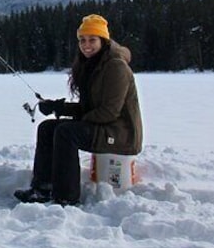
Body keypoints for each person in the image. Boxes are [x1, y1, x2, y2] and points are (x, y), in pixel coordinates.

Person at [14, 14, 143, 205]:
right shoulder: (92, 64)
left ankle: (66, 197)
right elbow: (88, 108)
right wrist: (59, 107)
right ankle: (43, 188)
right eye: (82, 40)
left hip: (120, 133)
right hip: (102, 126)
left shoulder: (116, 67)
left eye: (92, 39)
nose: (86, 45)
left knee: (66, 132)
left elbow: (109, 112)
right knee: (48, 128)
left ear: (103, 41)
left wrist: (76, 120)